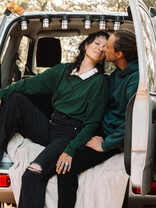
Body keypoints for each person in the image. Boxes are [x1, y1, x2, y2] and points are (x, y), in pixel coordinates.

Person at [0, 31, 110, 207]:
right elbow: (28, 84)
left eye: (105, 47)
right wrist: (1, 94)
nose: (101, 49)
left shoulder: (99, 82)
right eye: (97, 43)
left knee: (32, 175)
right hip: (51, 127)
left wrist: (71, 150)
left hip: (70, 134)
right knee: (16, 100)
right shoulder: (63, 70)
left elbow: (92, 123)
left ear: (105, 57)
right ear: (86, 45)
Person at [56, 29, 139, 208]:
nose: (103, 50)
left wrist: (106, 144)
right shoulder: (117, 74)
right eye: (100, 45)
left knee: (66, 170)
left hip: (112, 137)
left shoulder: (136, 80)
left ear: (119, 54)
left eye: (107, 46)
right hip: (99, 129)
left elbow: (135, 120)